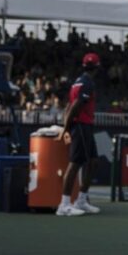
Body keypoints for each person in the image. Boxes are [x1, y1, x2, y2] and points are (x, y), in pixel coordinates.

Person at [55, 52, 103, 216]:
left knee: (94, 161)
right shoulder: (87, 83)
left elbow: (69, 106)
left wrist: (66, 126)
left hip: (85, 125)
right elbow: (75, 106)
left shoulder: (78, 82)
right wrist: (66, 129)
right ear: (97, 68)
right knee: (75, 164)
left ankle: (81, 200)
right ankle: (64, 204)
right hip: (81, 126)